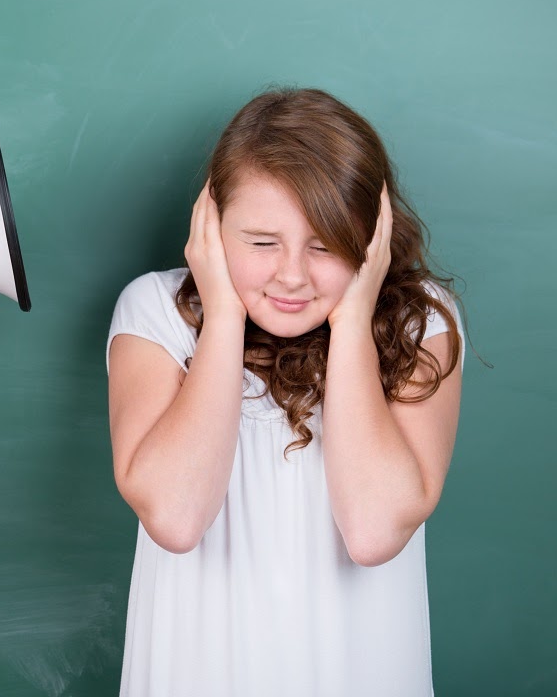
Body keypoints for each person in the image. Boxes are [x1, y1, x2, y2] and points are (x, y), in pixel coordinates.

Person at [107, 88, 464, 697]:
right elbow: (176, 518)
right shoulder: (155, 314)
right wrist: (221, 316)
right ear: (212, 229)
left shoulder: (420, 323)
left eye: (327, 245)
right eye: (262, 242)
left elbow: (375, 533)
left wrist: (353, 322)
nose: (293, 275)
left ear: (372, 240)